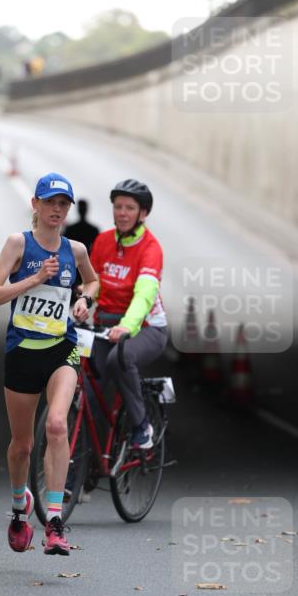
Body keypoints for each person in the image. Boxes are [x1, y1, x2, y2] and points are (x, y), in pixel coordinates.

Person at [0, 173, 99, 556]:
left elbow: (93, 282)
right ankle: (20, 508)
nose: (57, 209)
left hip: (60, 349)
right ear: (35, 204)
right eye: (50, 202)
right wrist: (34, 279)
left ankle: (54, 522)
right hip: (22, 351)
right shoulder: (18, 243)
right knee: (22, 446)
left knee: (57, 425)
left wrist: (84, 299)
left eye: (63, 204)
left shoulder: (76, 250)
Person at [90, 179, 167, 449]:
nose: (122, 213)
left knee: (119, 358)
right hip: (103, 325)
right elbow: (93, 282)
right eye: (118, 207)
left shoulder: (150, 248)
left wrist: (126, 326)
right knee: (84, 388)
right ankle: (86, 462)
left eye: (129, 208)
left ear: (142, 213)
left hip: (146, 328)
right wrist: (83, 299)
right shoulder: (102, 241)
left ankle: (141, 425)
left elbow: (144, 295)